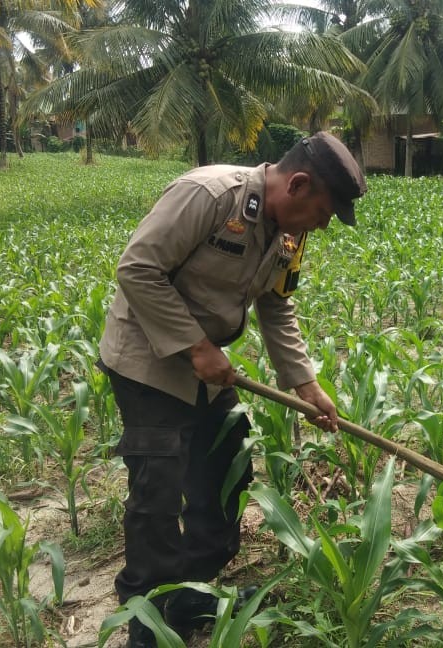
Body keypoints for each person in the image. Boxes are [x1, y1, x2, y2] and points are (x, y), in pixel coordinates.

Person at [97, 132, 366, 647]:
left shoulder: (288, 233)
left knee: (227, 466)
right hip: (148, 362)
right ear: (299, 183)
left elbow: (277, 305)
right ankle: (149, 620)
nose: (323, 224)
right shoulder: (210, 195)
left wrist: (306, 385)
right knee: (157, 495)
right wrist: (197, 347)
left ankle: (191, 591)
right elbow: (137, 268)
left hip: (207, 372)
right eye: (324, 212)